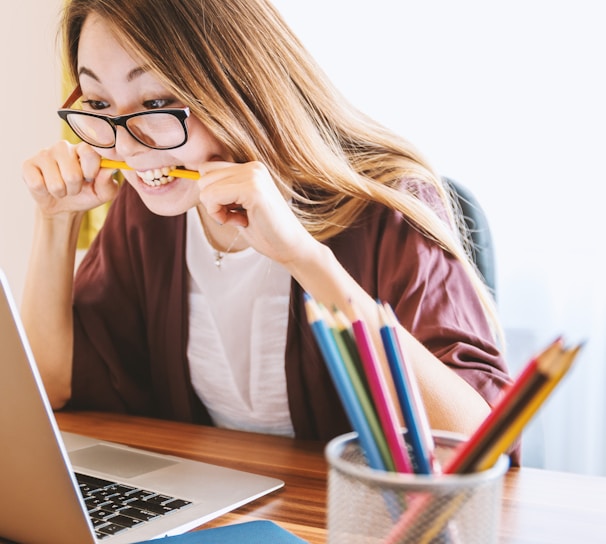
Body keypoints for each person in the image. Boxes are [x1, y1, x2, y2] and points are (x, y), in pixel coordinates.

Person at [21, 0, 518, 462]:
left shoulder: (386, 207)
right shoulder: (147, 213)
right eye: (101, 104)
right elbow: (49, 386)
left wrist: (304, 257)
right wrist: (56, 220)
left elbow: (477, 443)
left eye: (155, 102)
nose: (128, 147)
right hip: (220, 513)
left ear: (238, 85)